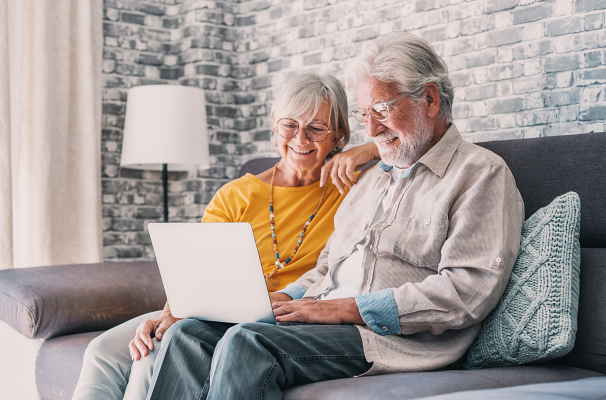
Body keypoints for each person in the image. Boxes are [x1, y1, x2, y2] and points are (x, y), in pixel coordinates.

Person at [144, 32, 526, 400]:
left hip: (386, 338)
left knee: (249, 341)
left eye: (381, 110)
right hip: (325, 316)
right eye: (364, 114)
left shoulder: (480, 174)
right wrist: (279, 299)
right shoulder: (370, 180)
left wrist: (344, 309)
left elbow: (468, 291)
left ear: (428, 98)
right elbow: (327, 268)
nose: (372, 128)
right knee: (188, 334)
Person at [71, 73, 381, 400]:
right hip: (216, 309)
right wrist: (168, 314)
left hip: (285, 315)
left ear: (339, 136)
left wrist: (367, 149)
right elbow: (196, 273)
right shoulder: (236, 194)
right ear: (275, 126)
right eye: (289, 124)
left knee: (150, 357)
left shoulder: (354, 189)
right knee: (102, 350)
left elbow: (412, 143)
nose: (300, 138)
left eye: (316, 128)